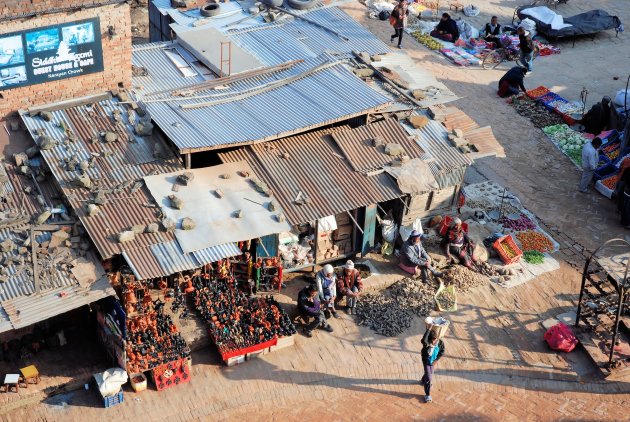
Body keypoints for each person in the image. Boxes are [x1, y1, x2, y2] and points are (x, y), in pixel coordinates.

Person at [420, 325, 445, 404]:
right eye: (432, 341)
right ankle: (427, 395)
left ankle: (423, 380)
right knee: (429, 379)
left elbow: (442, 351)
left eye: (435, 340)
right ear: (429, 340)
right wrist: (428, 329)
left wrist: (436, 360)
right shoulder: (426, 344)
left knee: (428, 374)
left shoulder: (440, 343)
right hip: (427, 361)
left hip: (433, 362)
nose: (434, 342)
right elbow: (424, 340)